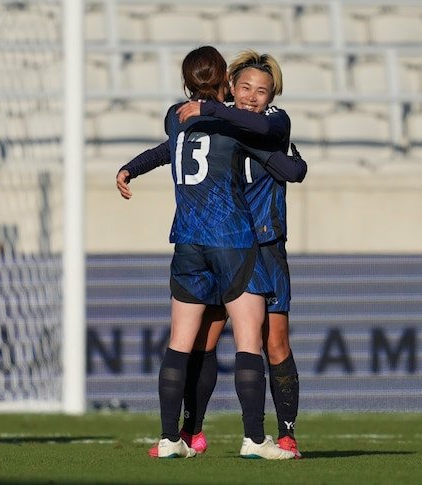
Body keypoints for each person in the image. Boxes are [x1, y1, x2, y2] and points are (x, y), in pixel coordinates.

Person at [118, 49, 304, 459]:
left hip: (223, 241)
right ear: (229, 85)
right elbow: (287, 167)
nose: (253, 96)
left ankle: (183, 437)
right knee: (230, 341)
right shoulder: (225, 124)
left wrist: (131, 166)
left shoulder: (257, 120)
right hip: (235, 241)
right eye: (245, 87)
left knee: (245, 342)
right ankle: (228, 435)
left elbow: (177, 144)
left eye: (262, 90)